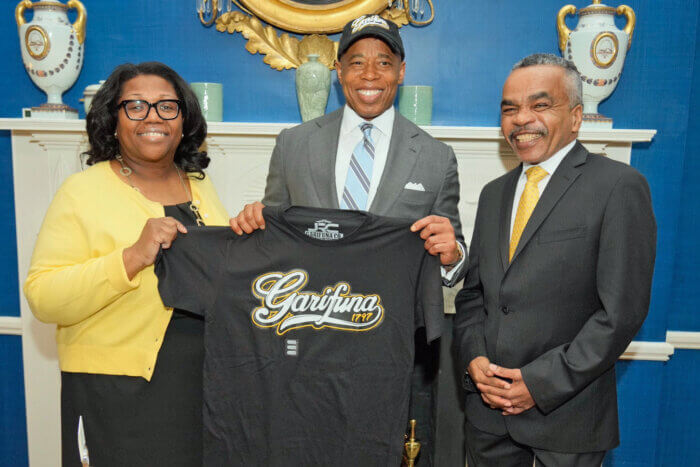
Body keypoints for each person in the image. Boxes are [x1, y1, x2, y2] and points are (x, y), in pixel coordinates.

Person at [230, 15, 466, 465]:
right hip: (303, 343)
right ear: (338, 72)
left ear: (401, 70)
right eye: (356, 62)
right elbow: (273, 236)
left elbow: (454, 255)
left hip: (391, 349)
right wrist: (253, 221)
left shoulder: (436, 158)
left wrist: (452, 254)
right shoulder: (293, 144)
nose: (370, 75)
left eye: (383, 62)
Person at [453, 53, 656, 466]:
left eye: (540, 105)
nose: (521, 119)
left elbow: (621, 313)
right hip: (487, 421)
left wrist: (538, 383)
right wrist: (474, 359)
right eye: (510, 109)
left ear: (576, 117)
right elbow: (475, 295)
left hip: (569, 420)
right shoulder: (494, 194)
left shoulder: (619, 186)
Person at [23, 62, 229, 466]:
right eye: (136, 106)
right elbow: (42, 297)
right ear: (112, 120)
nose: (153, 117)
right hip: (115, 394)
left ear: (183, 120)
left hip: (199, 389)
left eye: (167, 106)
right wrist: (131, 258)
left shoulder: (200, 185)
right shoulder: (82, 191)